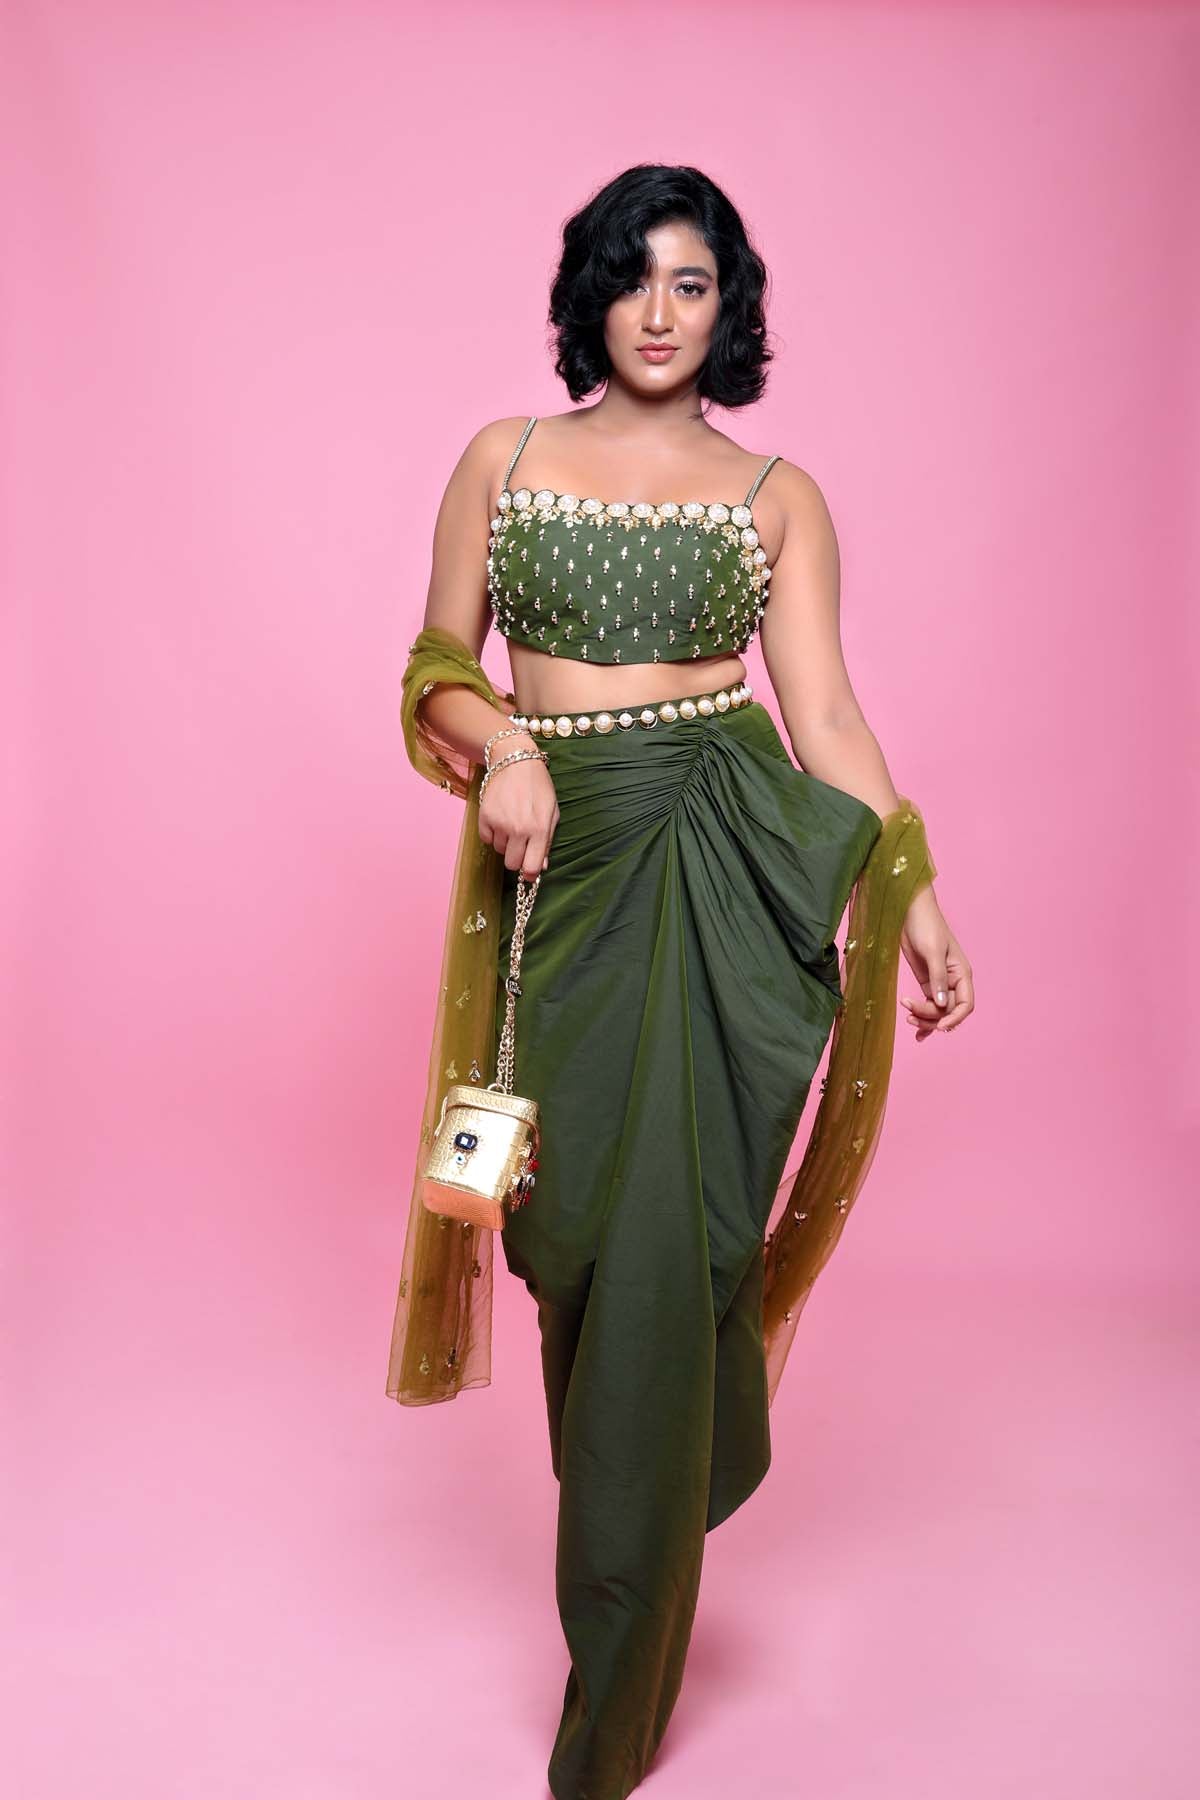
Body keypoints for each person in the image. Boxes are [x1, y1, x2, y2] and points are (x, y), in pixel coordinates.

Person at [386, 163, 974, 1800]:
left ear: (732, 307)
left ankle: (616, 1697)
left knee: (673, 1242)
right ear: (592, 292)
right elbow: (434, 666)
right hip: (558, 874)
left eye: (694, 282)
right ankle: (663, 1482)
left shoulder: (776, 495)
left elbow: (825, 716)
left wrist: (916, 891)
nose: (661, 311)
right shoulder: (503, 459)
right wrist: (506, 744)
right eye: (635, 277)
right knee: (574, 1245)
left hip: (723, 864)